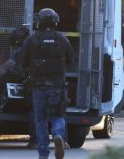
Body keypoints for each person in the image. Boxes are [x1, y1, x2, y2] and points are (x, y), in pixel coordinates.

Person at [20, 8, 75, 159]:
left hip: (38, 86)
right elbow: (71, 60)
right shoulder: (62, 39)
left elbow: (23, 61)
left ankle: (43, 153)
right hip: (57, 86)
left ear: (39, 22)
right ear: (55, 21)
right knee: (58, 115)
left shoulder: (31, 40)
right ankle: (58, 135)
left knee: (40, 120)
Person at [0, 26, 38, 148]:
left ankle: (34, 141)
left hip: (34, 84)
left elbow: (10, 64)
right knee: (58, 113)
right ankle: (62, 139)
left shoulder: (25, 47)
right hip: (55, 82)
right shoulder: (41, 42)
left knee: (34, 111)